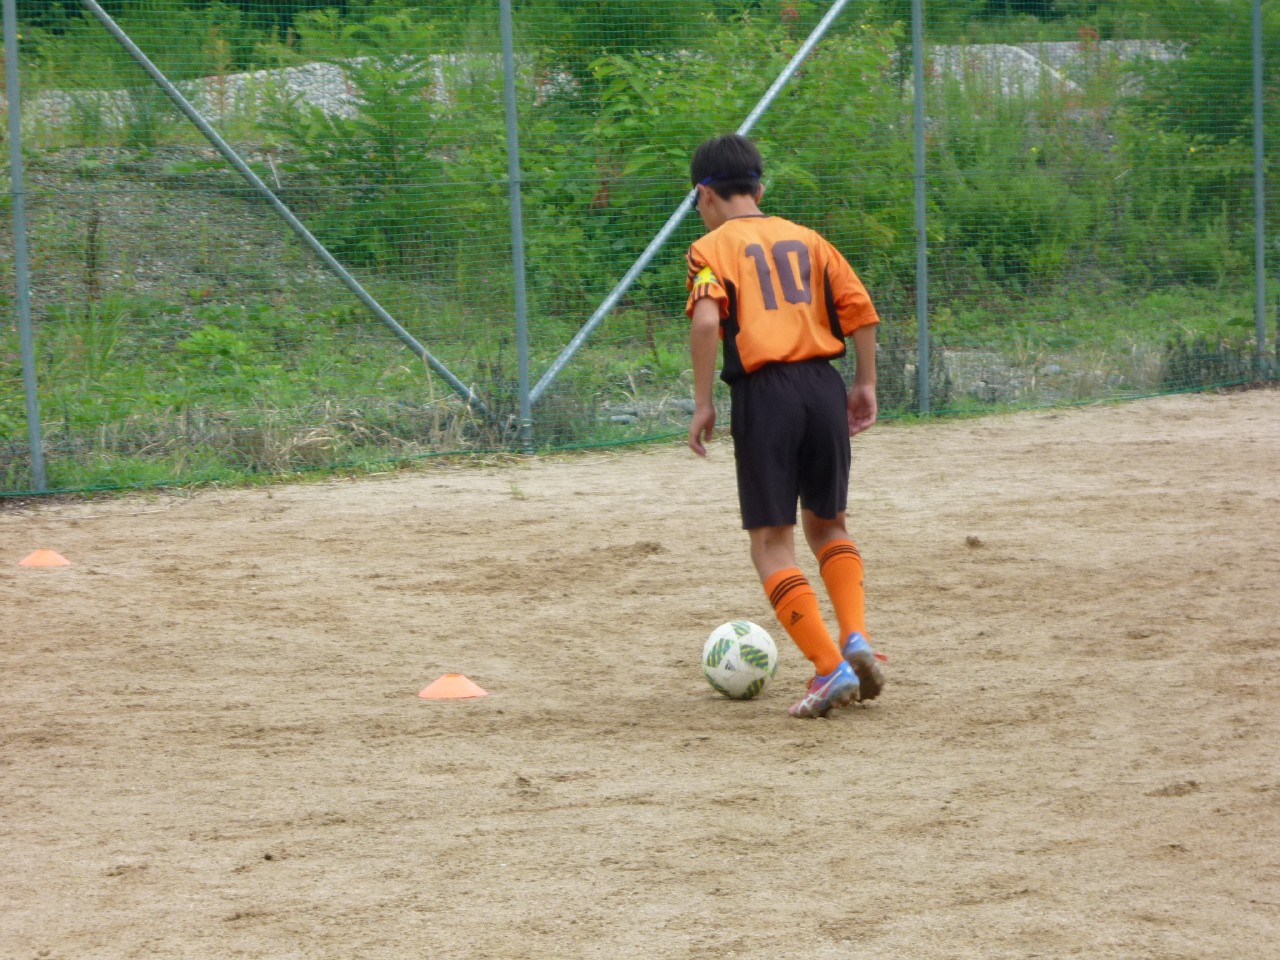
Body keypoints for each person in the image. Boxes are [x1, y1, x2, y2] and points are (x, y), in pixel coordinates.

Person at [683, 133, 884, 718]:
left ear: (705, 194)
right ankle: (855, 635)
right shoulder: (810, 240)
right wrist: (864, 383)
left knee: (771, 543)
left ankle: (828, 667)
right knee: (829, 523)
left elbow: (706, 322)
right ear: (760, 189)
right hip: (822, 386)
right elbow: (860, 310)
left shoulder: (709, 248)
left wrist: (703, 402)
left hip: (765, 394)